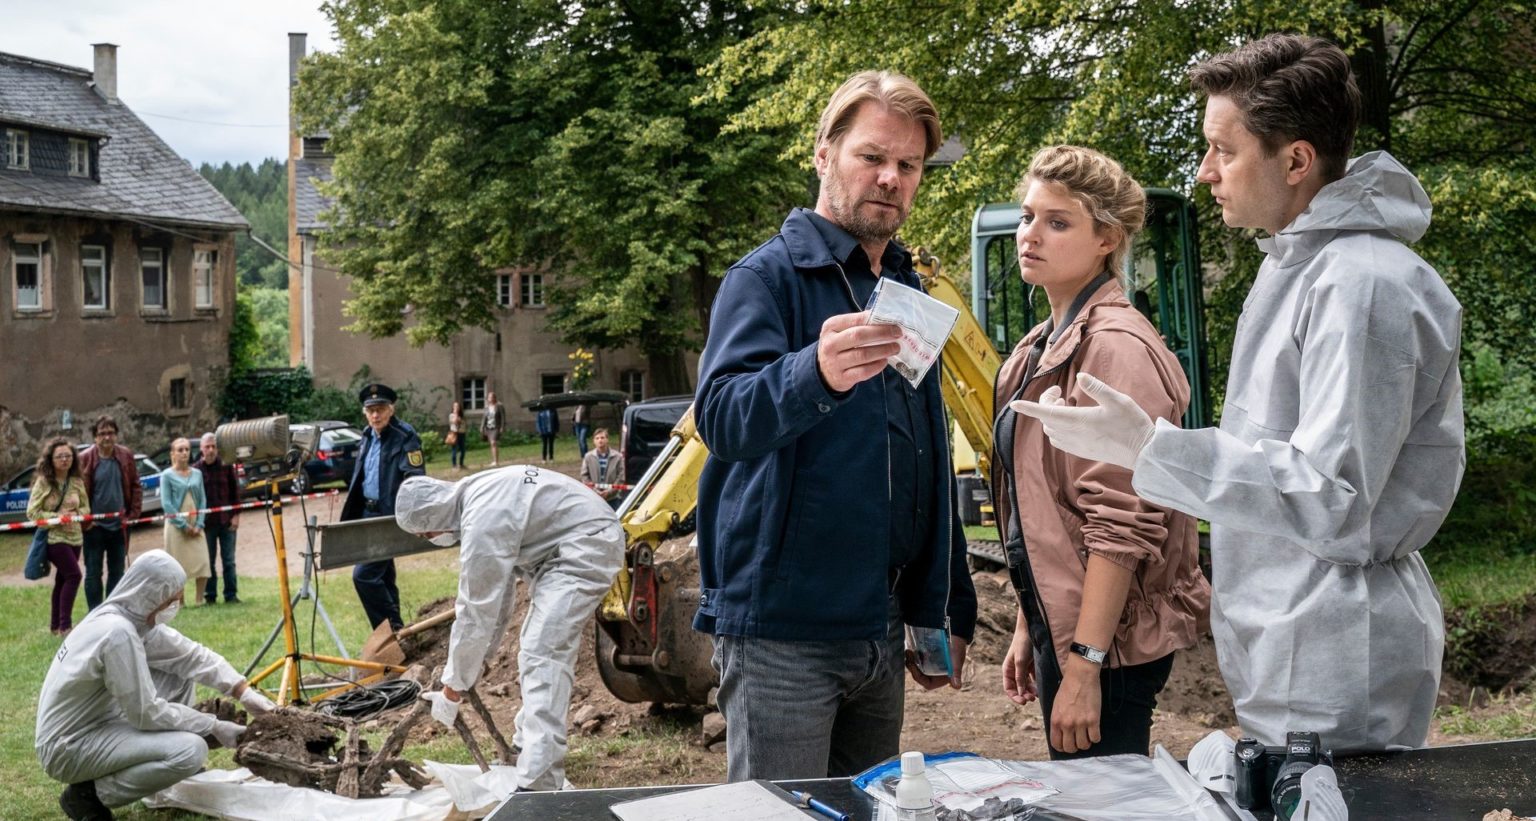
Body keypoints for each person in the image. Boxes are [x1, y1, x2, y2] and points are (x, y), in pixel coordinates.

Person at [1013, 34, 1463, 752]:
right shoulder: (1296, 267)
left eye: (1224, 149)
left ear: (1296, 160)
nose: (1205, 171)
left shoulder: (1362, 285)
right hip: (1291, 638)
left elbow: (1334, 497)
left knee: (1337, 798)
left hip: (1336, 648)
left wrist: (1153, 449)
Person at [693, 69, 977, 782]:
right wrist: (812, 372)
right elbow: (720, 417)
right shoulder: (765, 280)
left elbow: (924, 456)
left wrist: (942, 605)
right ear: (824, 154)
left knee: (869, 809)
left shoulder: (906, 289)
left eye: (908, 165)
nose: (891, 178)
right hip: (783, 637)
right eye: (871, 156)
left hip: (880, 629)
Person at [992, 146, 1211, 759]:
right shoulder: (1038, 348)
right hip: (1065, 628)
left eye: (1058, 222)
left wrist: (1085, 664)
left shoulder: (1114, 349)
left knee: (1103, 797)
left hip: (1108, 646)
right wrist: (1029, 623)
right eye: (1027, 217)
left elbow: (1121, 522)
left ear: (1106, 240)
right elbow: (1042, 512)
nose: (1031, 235)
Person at [400, 467, 623, 791]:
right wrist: (478, 663)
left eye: (425, 535)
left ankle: (539, 781)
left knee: (543, 652)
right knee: (536, 648)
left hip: (586, 545)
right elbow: (498, 600)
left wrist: (453, 686)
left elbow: (475, 611)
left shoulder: (481, 521)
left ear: (431, 518)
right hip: (571, 543)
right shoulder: (476, 494)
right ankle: (525, 747)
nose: (431, 539)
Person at [35, 550, 275, 820]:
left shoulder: (129, 620)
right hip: (68, 746)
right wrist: (212, 726)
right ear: (150, 595)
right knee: (191, 751)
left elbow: (190, 656)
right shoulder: (117, 634)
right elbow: (145, 713)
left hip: (96, 722)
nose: (175, 606)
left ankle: (166, 764)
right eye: (171, 600)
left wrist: (243, 691)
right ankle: (89, 795)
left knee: (178, 674)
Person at [342, 383, 426, 631]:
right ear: (365, 413)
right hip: (367, 513)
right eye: (371, 411)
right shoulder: (367, 435)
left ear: (391, 409)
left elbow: (415, 478)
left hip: (389, 515)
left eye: (380, 409)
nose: (375, 415)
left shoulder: (405, 435)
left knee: (364, 575)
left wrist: (411, 515)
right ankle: (399, 636)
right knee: (384, 575)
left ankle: (390, 631)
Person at [78, 415, 141, 611]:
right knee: (93, 573)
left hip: (119, 526)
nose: (107, 437)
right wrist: (85, 522)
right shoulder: (85, 458)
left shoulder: (126, 455)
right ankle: (95, 614)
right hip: (94, 527)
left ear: (117, 435)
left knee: (117, 572)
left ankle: (112, 612)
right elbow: (77, 492)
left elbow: (135, 485)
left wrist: (132, 516)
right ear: (95, 437)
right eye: (102, 433)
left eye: (111, 433)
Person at [28, 438, 90, 636]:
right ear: (51, 459)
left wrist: (76, 513)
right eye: (60, 456)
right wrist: (57, 517)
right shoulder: (44, 482)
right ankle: (65, 626)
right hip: (54, 537)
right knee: (74, 576)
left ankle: (55, 626)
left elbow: (86, 508)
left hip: (75, 537)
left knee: (62, 580)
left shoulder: (76, 481)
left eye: (68, 456)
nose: (64, 460)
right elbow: (32, 512)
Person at [158, 438, 209, 604]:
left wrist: (199, 524)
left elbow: (202, 500)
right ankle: (180, 602)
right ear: (172, 454)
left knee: (202, 560)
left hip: (196, 522)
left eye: (187, 449)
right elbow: (167, 504)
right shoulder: (166, 475)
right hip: (176, 526)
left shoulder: (197, 474)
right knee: (177, 564)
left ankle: (199, 600)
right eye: (180, 450)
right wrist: (183, 525)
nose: (184, 453)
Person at [193, 432, 241, 605]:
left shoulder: (226, 465)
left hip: (227, 521)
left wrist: (236, 515)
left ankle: (231, 595)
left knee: (229, 561)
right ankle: (210, 596)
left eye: (213, 446)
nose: (211, 450)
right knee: (208, 561)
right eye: (207, 447)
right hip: (207, 524)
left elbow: (235, 491)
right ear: (201, 449)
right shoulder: (195, 470)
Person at [579, 428, 624, 506]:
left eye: (602, 438)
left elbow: (621, 477)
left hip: (613, 498)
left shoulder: (617, 457)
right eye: (597, 438)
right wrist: (595, 491)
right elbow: (584, 476)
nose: (600, 440)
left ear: (607, 439)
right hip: (594, 498)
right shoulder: (588, 457)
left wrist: (609, 492)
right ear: (594, 441)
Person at [481, 392, 506, 467]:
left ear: (494, 398)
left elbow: (503, 417)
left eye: (492, 397)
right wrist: (482, 427)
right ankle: (494, 460)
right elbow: (484, 418)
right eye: (489, 397)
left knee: (493, 442)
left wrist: (502, 427)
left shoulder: (499, 406)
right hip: (488, 427)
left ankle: (496, 461)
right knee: (491, 444)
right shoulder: (486, 407)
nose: (490, 399)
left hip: (496, 427)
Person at [447, 401, 468, 469]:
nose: (456, 407)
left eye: (458, 406)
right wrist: (456, 414)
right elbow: (455, 421)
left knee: (463, 450)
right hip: (454, 434)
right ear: (453, 407)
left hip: (462, 433)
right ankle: (454, 465)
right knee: (454, 450)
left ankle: (461, 464)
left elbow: (464, 424)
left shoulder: (462, 416)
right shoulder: (451, 415)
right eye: (455, 406)